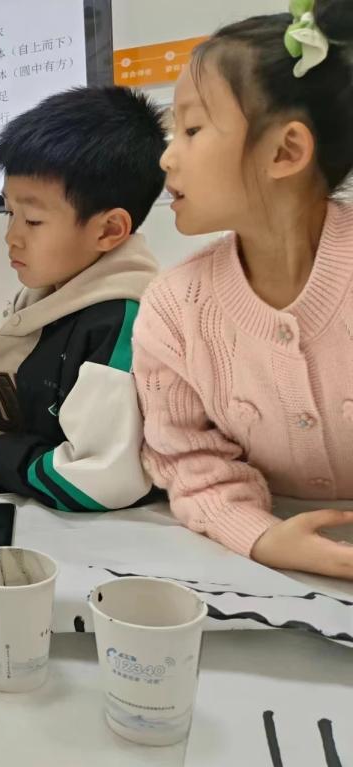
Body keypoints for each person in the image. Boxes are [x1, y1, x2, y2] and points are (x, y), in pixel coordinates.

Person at [134, 0, 353, 579]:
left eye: (192, 129)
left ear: (285, 152)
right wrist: (261, 536)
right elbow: (188, 457)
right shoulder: (173, 308)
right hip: (267, 570)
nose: (167, 156)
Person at [0, 86, 165, 512]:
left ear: (109, 230)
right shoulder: (42, 295)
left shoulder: (123, 319)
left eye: (32, 220)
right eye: (9, 212)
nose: (11, 236)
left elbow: (99, 479)